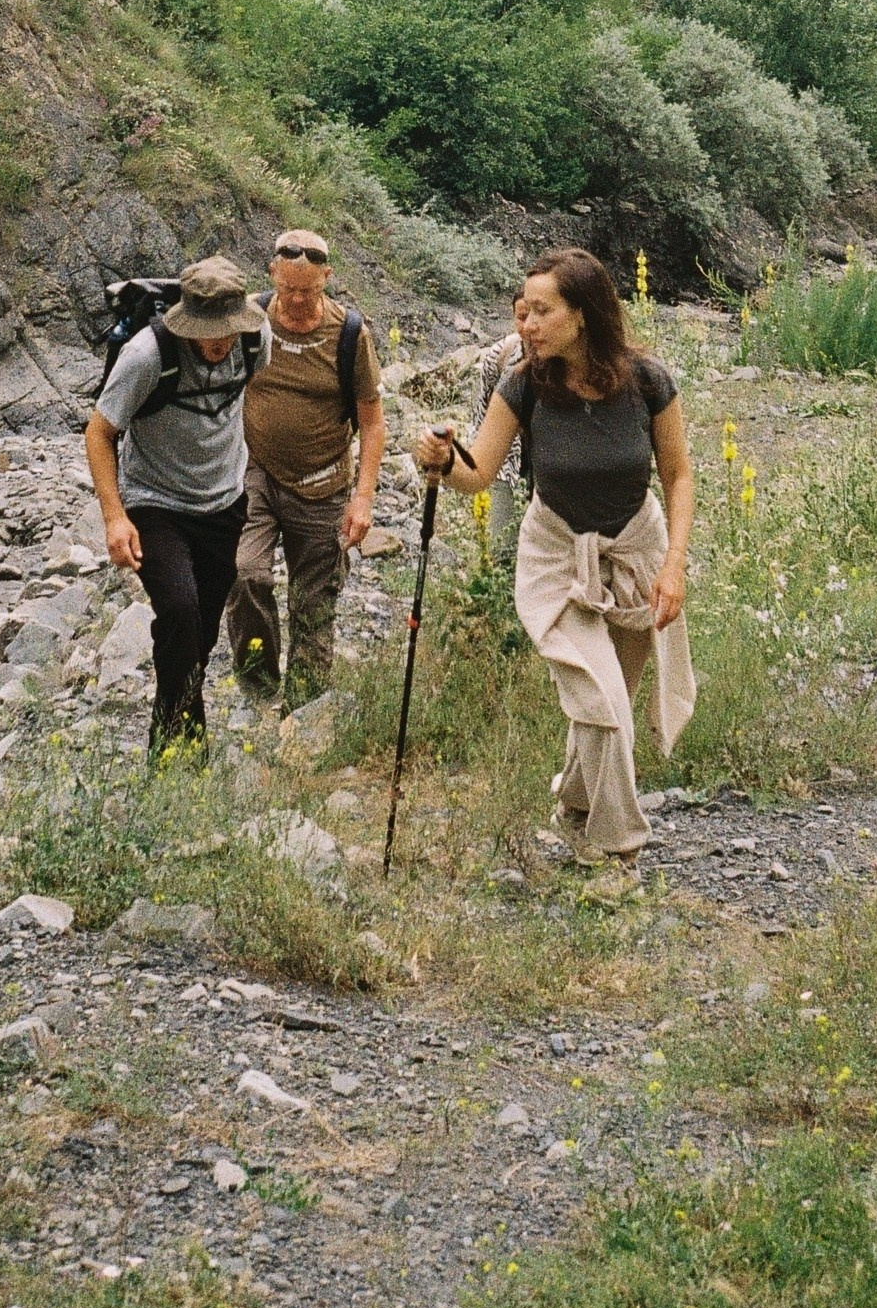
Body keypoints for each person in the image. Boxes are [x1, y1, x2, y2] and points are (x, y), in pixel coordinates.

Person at [414, 246, 694, 863]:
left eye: (542, 311)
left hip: (635, 553)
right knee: (602, 700)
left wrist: (673, 565)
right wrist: (441, 461)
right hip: (554, 554)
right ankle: (618, 849)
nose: (526, 324)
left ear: (583, 314)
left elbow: (677, 475)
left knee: (610, 695)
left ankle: (573, 798)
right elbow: (478, 473)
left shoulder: (648, 380)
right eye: (521, 310)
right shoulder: (523, 385)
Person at [85, 252, 268, 755]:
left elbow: (243, 396)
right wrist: (114, 517)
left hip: (225, 501)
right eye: (206, 332)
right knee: (181, 612)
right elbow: (99, 434)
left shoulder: (256, 340)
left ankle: (180, 720)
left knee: (202, 634)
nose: (217, 343)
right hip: (155, 502)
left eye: (226, 330)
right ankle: (175, 748)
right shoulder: (146, 357)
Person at [228, 225, 387, 713]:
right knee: (245, 573)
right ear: (272, 273)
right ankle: (258, 687)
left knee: (313, 603)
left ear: (328, 279)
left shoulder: (350, 335)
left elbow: (372, 422)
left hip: (323, 485)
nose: (296, 301)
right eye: (288, 289)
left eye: (309, 291)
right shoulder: (248, 319)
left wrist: (363, 498)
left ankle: (306, 708)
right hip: (255, 474)